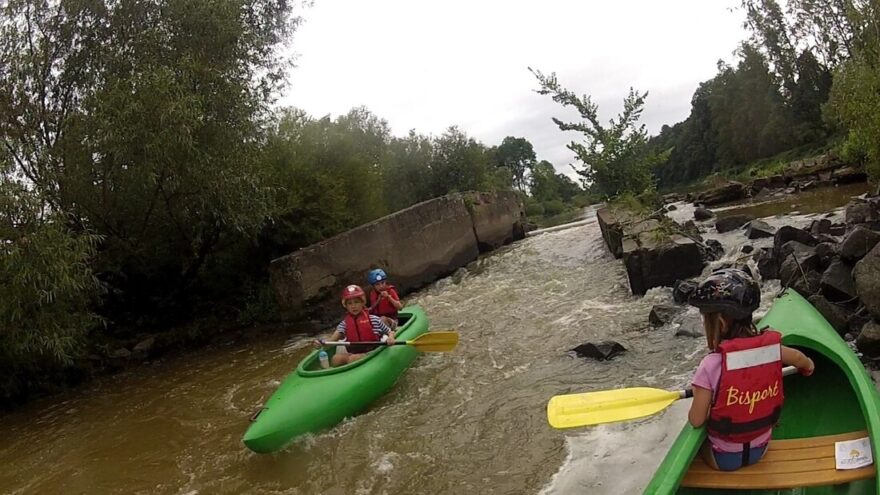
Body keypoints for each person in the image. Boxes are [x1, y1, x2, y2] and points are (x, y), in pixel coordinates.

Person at [687, 268, 815, 472]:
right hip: (760, 450)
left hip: (723, 460)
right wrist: (808, 367)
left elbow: (696, 419)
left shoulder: (710, 365)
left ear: (720, 323)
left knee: (700, 448)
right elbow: (799, 359)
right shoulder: (772, 350)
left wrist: (703, 395)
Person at [314, 285, 396, 366]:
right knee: (336, 359)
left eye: (356, 302)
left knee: (354, 358)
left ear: (362, 303)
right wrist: (321, 343)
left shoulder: (373, 319)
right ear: (346, 306)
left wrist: (391, 338)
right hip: (352, 353)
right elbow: (331, 340)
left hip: (371, 353)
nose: (353, 306)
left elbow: (390, 332)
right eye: (350, 303)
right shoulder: (344, 324)